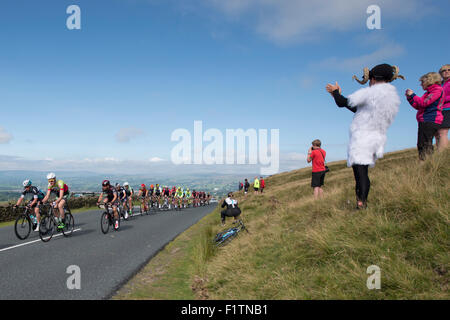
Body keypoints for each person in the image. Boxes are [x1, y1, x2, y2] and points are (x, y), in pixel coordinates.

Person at [326, 63, 403, 209]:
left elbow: (343, 103)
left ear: (373, 79)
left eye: (370, 80)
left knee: (360, 172)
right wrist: (337, 95)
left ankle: (361, 204)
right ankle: (360, 202)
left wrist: (335, 92)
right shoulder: (387, 96)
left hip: (364, 137)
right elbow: (355, 107)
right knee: (362, 171)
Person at [406, 72, 444, 160]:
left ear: (429, 81)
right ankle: (428, 162)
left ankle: (426, 163)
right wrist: (410, 99)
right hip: (426, 120)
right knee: (423, 143)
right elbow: (418, 106)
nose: (421, 84)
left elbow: (423, 103)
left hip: (430, 120)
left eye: (422, 82)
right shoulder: (428, 92)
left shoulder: (437, 90)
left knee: (424, 144)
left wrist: (413, 95)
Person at [436, 64, 450, 150]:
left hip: (448, 109)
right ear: (440, 74)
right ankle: (439, 154)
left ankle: (443, 154)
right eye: (444, 70)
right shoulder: (439, 84)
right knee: (437, 133)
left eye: (449, 70)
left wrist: (441, 99)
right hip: (439, 111)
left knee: (442, 132)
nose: (447, 71)